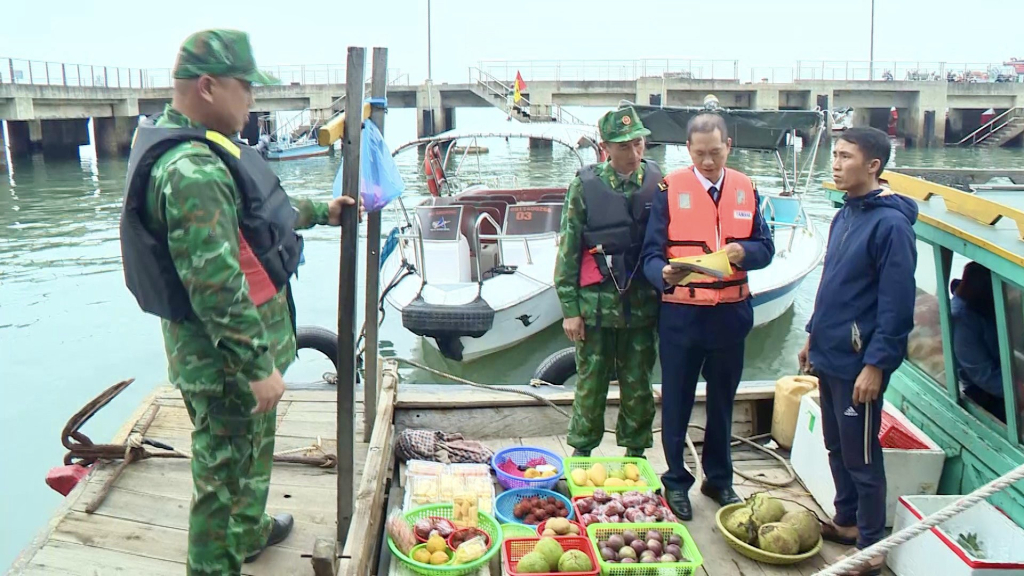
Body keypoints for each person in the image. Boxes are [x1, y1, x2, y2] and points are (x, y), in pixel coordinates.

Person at [118, 29, 357, 575]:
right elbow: (216, 283)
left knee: (252, 455)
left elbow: (257, 216)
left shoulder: (208, 149)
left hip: (249, 354)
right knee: (220, 479)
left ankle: (249, 532)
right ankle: (213, 562)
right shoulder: (190, 171)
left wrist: (325, 209)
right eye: (245, 88)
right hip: (225, 365)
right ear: (208, 86)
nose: (253, 101)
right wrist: (255, 365)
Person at [640, 113, 775, 520]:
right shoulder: (669, 190)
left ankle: (719, 479)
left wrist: (743, 253)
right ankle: (676, 481)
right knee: (677, 402)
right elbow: (650, 254)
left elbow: (766, 249)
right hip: (682, 315)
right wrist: (660, 274)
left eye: (715, 152)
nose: (708, 161)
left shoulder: (747, 189)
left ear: (728, 146)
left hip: (730, 316)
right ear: (688, 151)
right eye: (700, 154)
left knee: (722, 402)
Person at [799, 126, 918, 575]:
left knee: (862, 456)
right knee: (835, 446)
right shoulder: (846, 213)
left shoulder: (890, 225)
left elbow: (896, 305)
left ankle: (871, 546)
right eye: (835, 154)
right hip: (829, 354)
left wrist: (876, 365)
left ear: (874, 166)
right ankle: (846, 519)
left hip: (858, 364)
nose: (836, 163)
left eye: (846, 156)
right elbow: (832, 284)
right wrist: (812, 333)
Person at [553, 106, 662, 459]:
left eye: (639, 143)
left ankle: (636, 452)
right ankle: (582, 452)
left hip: (642, 307)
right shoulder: (584, 187)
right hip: (596, 308)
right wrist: (570, 310)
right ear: (606, 148)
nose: (634, 153)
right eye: (624, 146)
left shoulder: (658, 183)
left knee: (639, 384)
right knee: (591, 383)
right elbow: (569, 250)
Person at [951, 262, 1006, 422]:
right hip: (982, 391)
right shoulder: (962, 320)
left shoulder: (981, 309)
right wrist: (1017, 392)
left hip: (1002, 368)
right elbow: (983, 375)